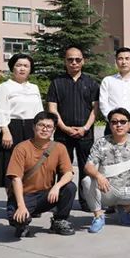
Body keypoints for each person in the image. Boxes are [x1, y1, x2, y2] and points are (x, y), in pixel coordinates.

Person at [81, 108, 130, 233]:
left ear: (129, 124)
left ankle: (125, 208)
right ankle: (98, 216)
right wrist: (99, 176)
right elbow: (88, 166)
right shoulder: (101, 142)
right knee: (87, 181)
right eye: (114, 122)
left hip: (128, 190)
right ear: (110, 125)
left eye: (123, 122)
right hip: (107, 190)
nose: (119, 125)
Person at [5, 111, 76, 238]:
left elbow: (68, 173)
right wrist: (21, 206)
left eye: (49, 126)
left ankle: (59, 220)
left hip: (46, 195)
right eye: (41, 125)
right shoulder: (21, 148)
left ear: (54, 130)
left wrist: (57, 186)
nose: (45, 129)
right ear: (34, 127)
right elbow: (16, 178)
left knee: (70, 187)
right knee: (17, 219)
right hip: (25, 196)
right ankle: (23, 224)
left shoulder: (59, 148)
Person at [46, 45, 100, 208]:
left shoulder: (91, 83)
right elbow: (52, 109)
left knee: (87, 168)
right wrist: (64, 127)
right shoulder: (56, 83)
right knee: (63, 168)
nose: (74, 63)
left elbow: (95, 109)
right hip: (63, 134)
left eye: (77, 59)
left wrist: (85, 128)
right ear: (65, 61)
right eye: (70, 60)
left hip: (86, 134)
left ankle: (86, 201)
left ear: (83, 61)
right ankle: (61, 201)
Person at [0, 53, 44, 189]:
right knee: (11, 165)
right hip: (13, 129)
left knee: (32, 164)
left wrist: (43, 131)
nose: (22, 68)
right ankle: (12, 198)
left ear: (30, 69)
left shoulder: (34, 88)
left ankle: (29, 197)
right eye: (18, 65)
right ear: (12, 68)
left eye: (26, 66)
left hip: (32, 129)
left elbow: (40, 111)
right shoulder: (4, 87)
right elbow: (0, 110)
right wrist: (5, 131)